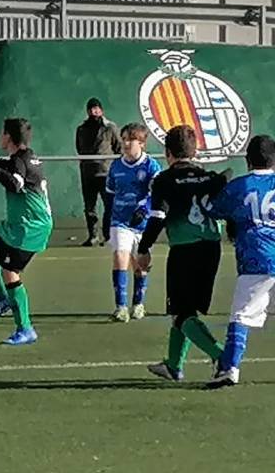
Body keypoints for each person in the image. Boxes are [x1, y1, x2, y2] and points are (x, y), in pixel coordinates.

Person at [136, 125, 231, 382]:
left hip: (184, 250)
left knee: (182, 313)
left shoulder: (164, 180)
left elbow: (158, 217)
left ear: (167, 153)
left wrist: (143, 248)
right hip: (212, 249)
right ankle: (173, 365)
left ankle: (223, 358)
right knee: (185, 310)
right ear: (195, 151)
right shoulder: (209, 177)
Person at [0, 117, 53, 346]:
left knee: (10, 272)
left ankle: (25, 329)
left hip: (30, 227)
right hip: (18, 224)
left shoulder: (21, 160)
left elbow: (15, 184)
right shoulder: (26, 157)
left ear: (8, 137)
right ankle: (3, 298)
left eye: (2, 132)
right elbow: (10, 170)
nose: (0, 136)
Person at [205, 135, 275, 388]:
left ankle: (229, 368)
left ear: (248, 160)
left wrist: (216, 184)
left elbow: (212, 209)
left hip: (256, 258)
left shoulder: (239, 186)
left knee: (242, 316)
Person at [105, 123, 162, 322]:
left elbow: (157, 193)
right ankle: (121, 307)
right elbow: (110, 193)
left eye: (131, 140)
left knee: (141, 265)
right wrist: (107, 218)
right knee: (120, 256)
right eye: (124, 139)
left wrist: (144, 209)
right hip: (120, 220)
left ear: (142, 143)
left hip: (143, 224)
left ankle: (138, 304)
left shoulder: (151, 166)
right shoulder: (116, 166)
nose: (126, 143)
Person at [76, 98, 122, 246]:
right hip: (87, 173)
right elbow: (79, 148)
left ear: (101, 110)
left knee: (109, 206)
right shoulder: (81, 129)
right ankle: (93, 236)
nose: (93, 111)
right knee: (89, 207)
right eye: (90, 109)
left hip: (105, 173)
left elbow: (119, 148)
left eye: (96, 108)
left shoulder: (110, 127)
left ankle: (108, 236)